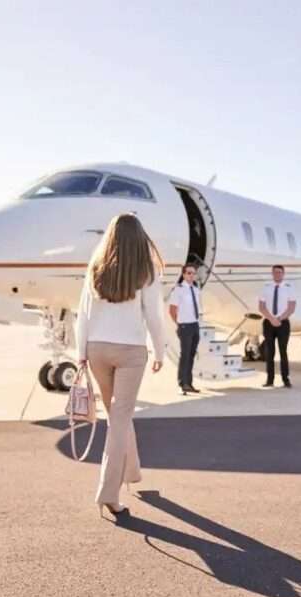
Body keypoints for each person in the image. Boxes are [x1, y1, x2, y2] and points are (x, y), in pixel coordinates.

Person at [75, 213, 167, 518]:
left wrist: (81, 353)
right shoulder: (147, 270)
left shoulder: (96, 267)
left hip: (97, 350)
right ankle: (108, 493)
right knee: (119, 419)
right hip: (130, 352)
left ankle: (131, 471)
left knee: (117, 416)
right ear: (140, 238)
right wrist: (160, 351)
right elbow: (154, 316)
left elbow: (83, 314)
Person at [258, 265, 296, 388]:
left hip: (283, 323)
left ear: (283, 274)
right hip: (268, 322)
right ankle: (270, 380)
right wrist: (271, 319)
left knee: (283, 351)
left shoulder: (289, 288)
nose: (277, 274)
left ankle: (286, 379)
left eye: (280, 272)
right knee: (269, 352)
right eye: (275, 272)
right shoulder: (266, 288)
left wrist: (279, 318)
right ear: (272, 274)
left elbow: (291, 307)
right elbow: (261, 307)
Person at [168, 264, 202, 395]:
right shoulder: (179, 290)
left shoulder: (196, 289)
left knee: (191, 355)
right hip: (185, 326)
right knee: (185, 355)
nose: (191, 275)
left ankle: (189, 383)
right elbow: (172, 310)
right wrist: (179, 324)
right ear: (183, 275)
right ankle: (182, 383)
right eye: (188, 273)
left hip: (195, 325)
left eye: (193, 273)